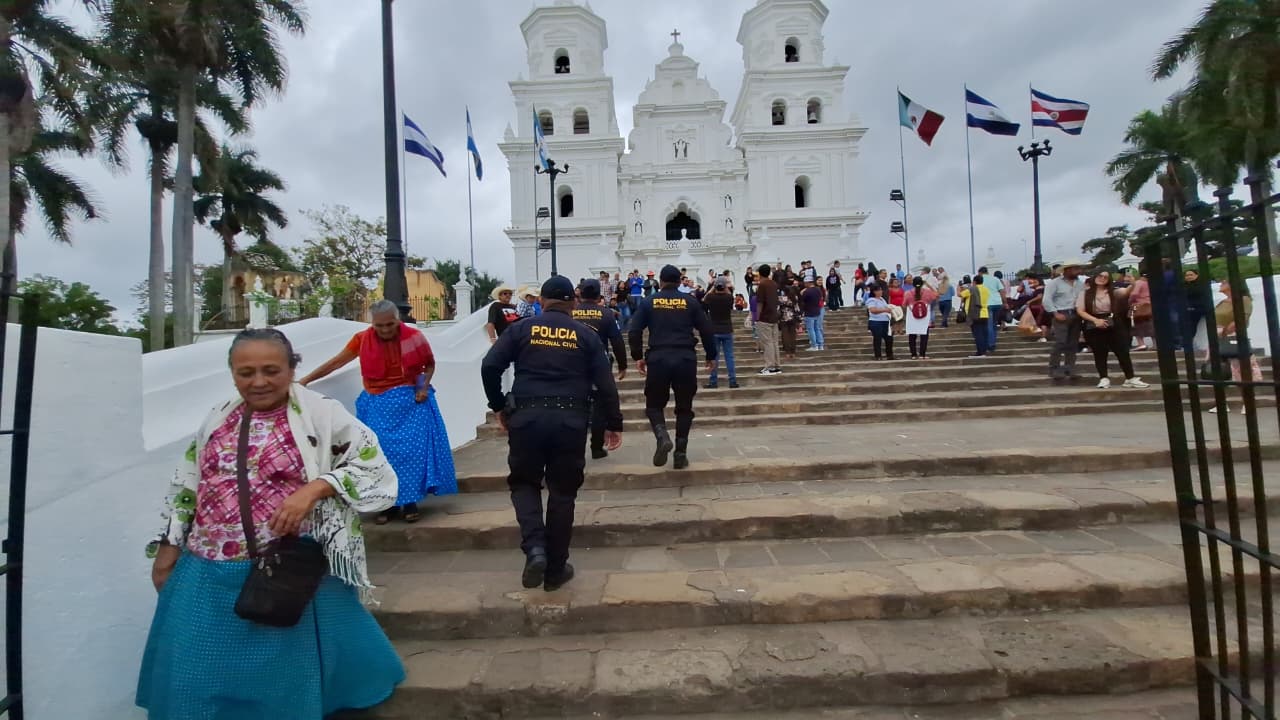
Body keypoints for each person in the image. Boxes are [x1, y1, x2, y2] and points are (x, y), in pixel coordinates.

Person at [139, 328, 404, 719]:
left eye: (271, 370)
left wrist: (317, 487)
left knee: (285, 667)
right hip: (208, 565)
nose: (259, 381)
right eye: (246, 372)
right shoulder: (219, 417)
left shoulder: (321, 414)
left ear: (292, 368)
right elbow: (189, 482)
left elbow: (376, 472)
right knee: (201, 659)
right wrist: (169, 546)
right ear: (232, 373)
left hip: (284, 566)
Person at [480, 276, 623, 591]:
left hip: (527, 417)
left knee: (524, 484)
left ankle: (535, 549)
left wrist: (499, 406)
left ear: (541, 300)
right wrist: (614, 422)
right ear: (573, 302)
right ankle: (556, 568)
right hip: (570, 420)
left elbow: (490, 366)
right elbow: (606, 383)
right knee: (563, 492)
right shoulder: (585, 336)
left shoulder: (521, 328)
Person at [300, 300, 457, 524]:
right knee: (380, 454)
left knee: (410, 454)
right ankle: (388, 504)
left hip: (410, 402)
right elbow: (336, 362)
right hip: (377, 403)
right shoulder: (361, 340)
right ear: (371, 323)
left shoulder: (414, 337)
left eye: (390, 324)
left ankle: (409, 501)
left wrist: (423, 387)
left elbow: (429, 365)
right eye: (379, 326)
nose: (385, 330)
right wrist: (306, 380)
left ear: (397, 320)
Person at [628, 265, 717, 469]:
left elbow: (634, 331)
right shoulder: (690, 301)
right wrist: (711, 355)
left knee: (653, 405)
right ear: (679, 281)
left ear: (660, 281)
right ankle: (680, 453)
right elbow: (706, 329)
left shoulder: (650, 301)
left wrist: (637, 356)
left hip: (658, 357)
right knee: (684, 408)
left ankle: (662, 436)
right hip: (685, 358)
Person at [573, 279, 628, 458]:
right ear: (599, 295)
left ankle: (574, 447)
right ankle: (596, 447)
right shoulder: (605, 314)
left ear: (580, 294)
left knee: (574, 405)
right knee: (599, 406)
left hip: (573, 365)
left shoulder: (571, 313)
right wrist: (623, 365)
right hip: (599, 366)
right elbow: (617, 342)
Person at [1076, 269, 1149, 390]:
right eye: (1100, 276)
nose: (1102, 278)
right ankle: (1103, 378)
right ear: (1095, 277)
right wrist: (1095, 320)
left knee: (1122, 351)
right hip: (1094, 323)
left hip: (1113, 321)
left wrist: (1133, 283)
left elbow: (1125, 292)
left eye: (1105, 277)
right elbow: (1080, 310)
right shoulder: (1085, 293)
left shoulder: (1113, 292)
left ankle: (1130, 378)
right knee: (1099, 353)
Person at [1208, 278, 1261, 414]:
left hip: (1234, 337)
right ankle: (1221, 403)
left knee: (1241, 371)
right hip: (1217, 339)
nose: (1221, 284)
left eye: (1225, 282)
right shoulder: (1222, 303)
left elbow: (1241, 319)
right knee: (1218, 371)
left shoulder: (1243, 300)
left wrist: (1224, 332)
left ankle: (1247, 402)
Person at [1043, 259, 1085, 383]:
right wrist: (1055, 312)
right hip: (1061, 313)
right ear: (1067, 270)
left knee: (1073, 343)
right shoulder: (1054, 283)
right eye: (1075, 269)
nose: (1078, 271)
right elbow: (1046, 300)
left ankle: (1070, 368)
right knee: (1060, 342)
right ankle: (1054, 368)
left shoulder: (1080, 284)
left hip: (1076, 313)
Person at [702, 277, 740, 388]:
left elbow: (703, 302)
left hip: (714, 329)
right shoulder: (728, 298)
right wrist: (726, 288)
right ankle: (732, 380)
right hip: (727, 329)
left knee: (715, 357)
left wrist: (711, 288)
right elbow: (730, 295)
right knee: (729, 357)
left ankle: (713, 381)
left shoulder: (711, 297)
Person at [754, 264, 782, 375]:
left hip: (765, 317)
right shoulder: (773, 284)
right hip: (774, 316)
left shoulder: (762, 285)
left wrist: (757, 316)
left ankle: (769, 366)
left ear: (760, 273)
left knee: (767, 343)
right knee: (774, 342)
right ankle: (776, 365)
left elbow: (760, 302)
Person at [904, 276, 937, 360]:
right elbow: (935, 296)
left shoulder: (908, 293)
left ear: (913, 284)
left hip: (912, 315)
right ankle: (922, 354)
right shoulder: (927, 292)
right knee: (924, 335)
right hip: (924, 315)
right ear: (922, 283)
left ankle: (913, 354)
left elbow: (904, 304)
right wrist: (929, 286)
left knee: (912, 335)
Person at [865, 284, 894, 360]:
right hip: (876, 322)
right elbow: (873, 310)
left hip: (885, 321)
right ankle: (878, 355)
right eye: (879, 290)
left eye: (881, 290)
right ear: (875, 291)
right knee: (877, 339)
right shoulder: (871, 300)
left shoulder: (882, 299)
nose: (881, 291)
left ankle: (889, 355)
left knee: (889, 338)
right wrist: (884, 310)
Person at [801, 277, 826, 351]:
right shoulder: (818, 290)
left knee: (810, 329)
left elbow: (802, 300)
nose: (805, 284)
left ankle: (814, 345)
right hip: (817, 311)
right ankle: (820, 345)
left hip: (809, 312)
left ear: (808, 283)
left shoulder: (807, 291)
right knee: (817, 328)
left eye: (805, 283)